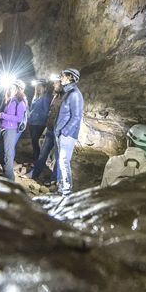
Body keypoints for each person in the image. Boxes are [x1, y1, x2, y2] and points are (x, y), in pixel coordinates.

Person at [54, 68, 83, 196]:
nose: (61, 78)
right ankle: (61, 189)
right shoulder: (67, 93)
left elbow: (76, 116)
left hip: (67, 134)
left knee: (64, 162)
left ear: (70, 77)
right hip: (61, 133)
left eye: (63, 76)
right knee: (60, 162)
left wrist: (64, 132)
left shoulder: (75, 94)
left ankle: (67, 192)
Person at [0, 80, 28, 181]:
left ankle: (10, 178)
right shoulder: (10, 100)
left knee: (8, 153)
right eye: (10, 87)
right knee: (2, 151)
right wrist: (0, 117)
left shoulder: (20, 101)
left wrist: (3, 115)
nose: (10, 89)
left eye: (13, 88)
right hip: (4, 128)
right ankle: (6, 174)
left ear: (18, 89)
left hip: (11, 130)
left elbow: (18, 118)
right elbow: (7, 114)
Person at [30, 79, 62, 183]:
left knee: (58, 156)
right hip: (47, 127)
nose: (53, 85)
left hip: (51, 128)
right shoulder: (53, 97)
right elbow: (49, 112)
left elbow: (46, 112)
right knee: (41, 151)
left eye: (56, 83)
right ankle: (35, 172)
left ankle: (54, 179)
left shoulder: (48, 98)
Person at [28, 80, 50, 163]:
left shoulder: (45, 98)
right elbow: (31, 109)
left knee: (35, 140)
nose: (38, 89)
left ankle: (37, 158)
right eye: (37, 88)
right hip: (32, 122)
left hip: (39, 123)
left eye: (39, 88)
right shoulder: (35, 98)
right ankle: (35, 155)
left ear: (44, 88)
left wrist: (36, 115)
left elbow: (46, 112)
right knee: (34, 141)